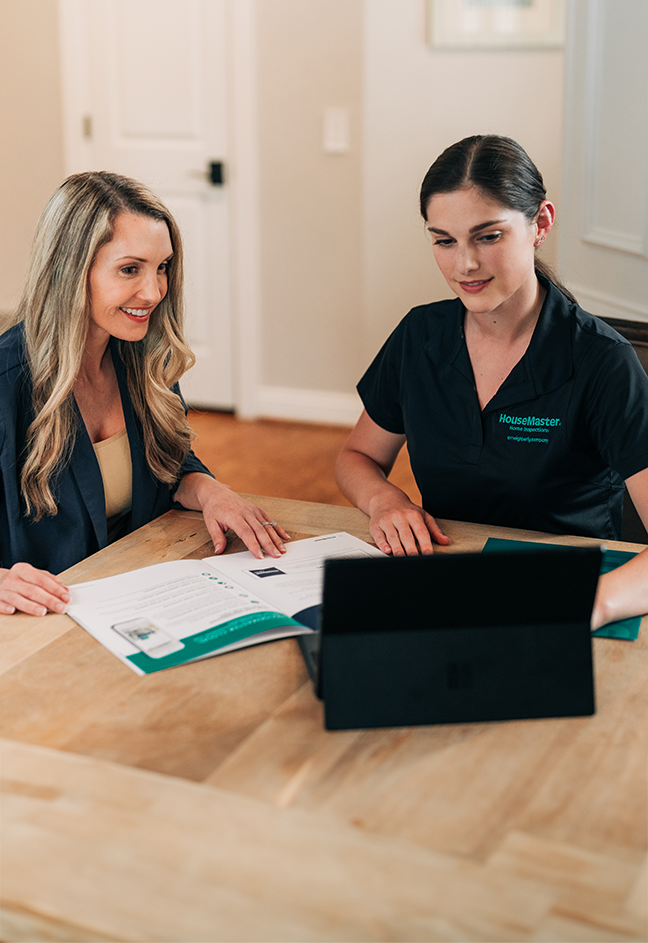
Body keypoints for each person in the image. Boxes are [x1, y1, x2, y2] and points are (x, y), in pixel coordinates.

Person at [336, 134, 648, 630]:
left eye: (488, 236)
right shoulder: (420, 336)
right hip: (449, 587)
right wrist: (384, 499)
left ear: (540, 224)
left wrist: (593, 602)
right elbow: (357, 457)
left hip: (567, 597)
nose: (465, 265)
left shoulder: (602, 362)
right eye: (444, 240)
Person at [0, 171, 289, 617]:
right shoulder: (6, 380)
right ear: (69, 271)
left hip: (137, 597)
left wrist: (212, 492)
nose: (153, 292)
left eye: (163, 268)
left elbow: (170, 466)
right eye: (130, 269)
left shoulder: (143, 359)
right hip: (40, 627)